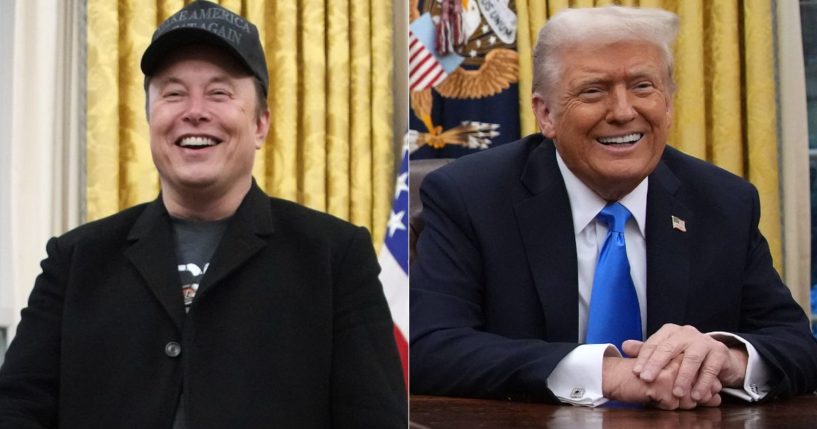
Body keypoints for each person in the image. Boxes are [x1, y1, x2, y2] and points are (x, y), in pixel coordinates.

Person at [0, 1, 406, 427]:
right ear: (150, 118)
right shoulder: (75, 259)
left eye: (219, 92)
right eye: (173, 93)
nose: (195, 110)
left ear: (261, 124)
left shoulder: (335, 257)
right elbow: (17, 409)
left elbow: (374, 417)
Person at [410, 5, 817, 410]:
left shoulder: (724, 202)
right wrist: (608, 373)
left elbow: (796, 345)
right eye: (593, 90)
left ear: (669, 103)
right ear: (545, 114)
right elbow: (430, 347)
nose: (624, 112)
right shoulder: (470, 197)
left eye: (643, 87)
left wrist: (726, 360)